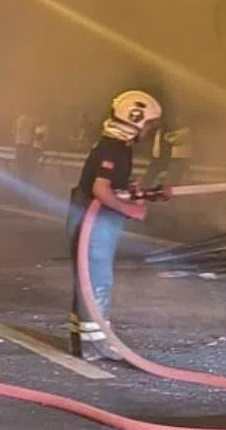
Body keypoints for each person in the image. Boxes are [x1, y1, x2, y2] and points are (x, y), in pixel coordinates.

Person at [65, 90, 169, 361]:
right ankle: (99, 345)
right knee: (97, 279)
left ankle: (83, 342)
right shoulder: (113, 148)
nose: (149, 130)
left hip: (93, 215)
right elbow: (101, 189)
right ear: (135, 121)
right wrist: (129, 209)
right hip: (93, 218)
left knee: (87, 277)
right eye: (148, 124)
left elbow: (109, 183)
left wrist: (129, 189)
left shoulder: (117, 147)